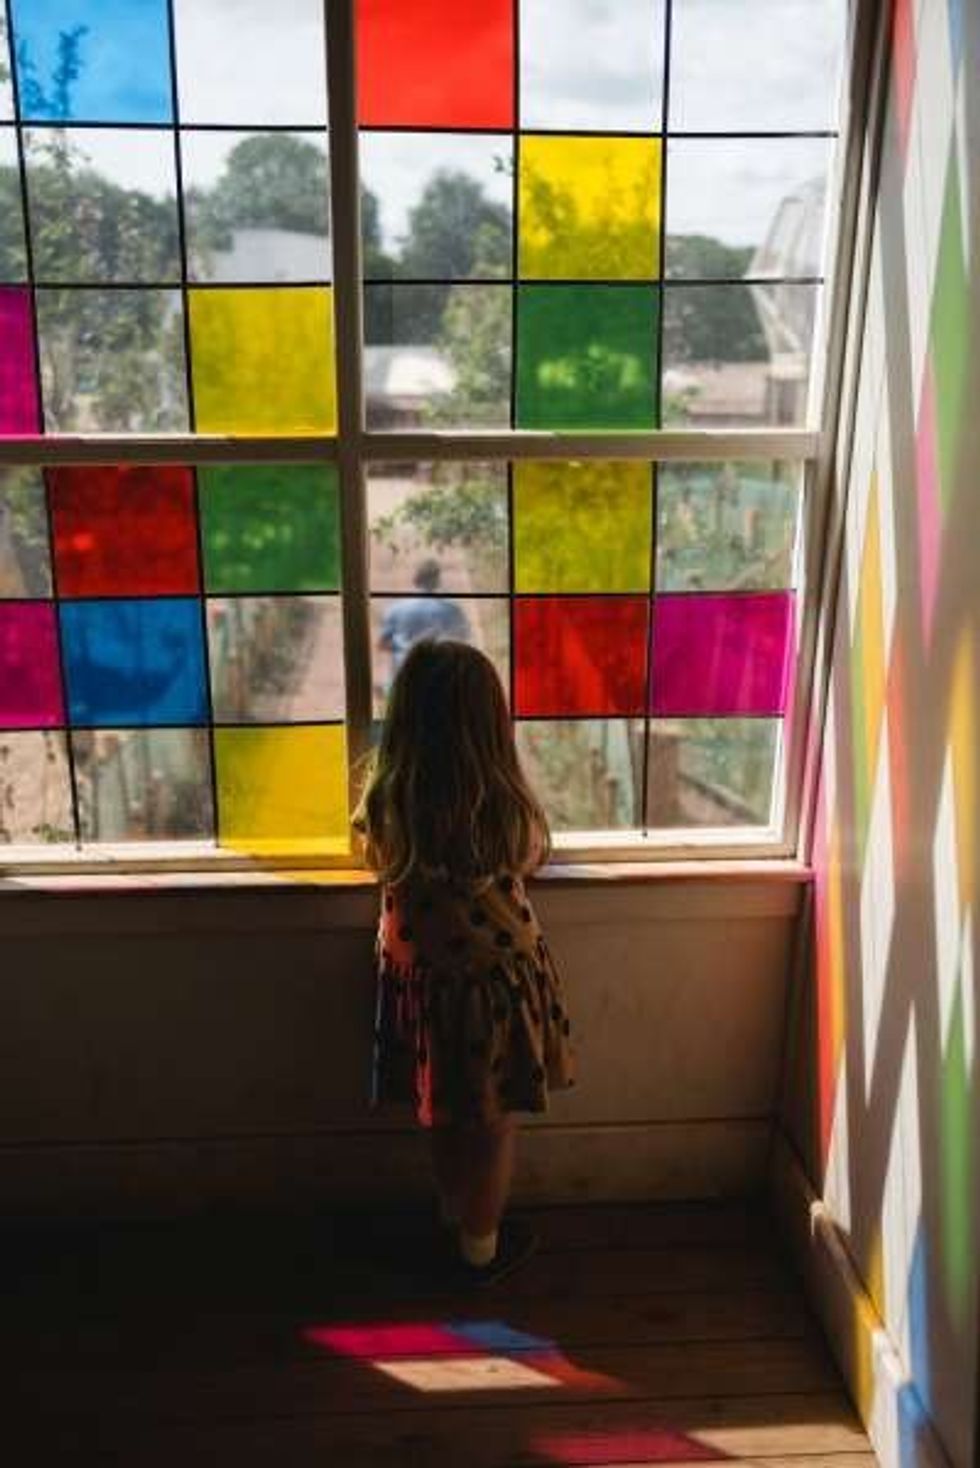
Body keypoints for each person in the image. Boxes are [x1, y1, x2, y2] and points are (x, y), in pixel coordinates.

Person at [354, 639, 575, 1284]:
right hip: (495, 986)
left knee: (444, 1115)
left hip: (423, 985)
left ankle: (455, 1216)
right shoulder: (504, 812)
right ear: (492, 727)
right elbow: (531, 856)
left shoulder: (387, 806)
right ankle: (481, 1249)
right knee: (494, 1128)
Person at [377, 559, 471, 691]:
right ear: (438, 580)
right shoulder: (452, 609)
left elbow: (382, 643)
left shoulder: (396, 608)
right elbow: (463, 640)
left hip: (404, 676)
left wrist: (405, 646)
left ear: (416, 579)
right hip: (442, 679)